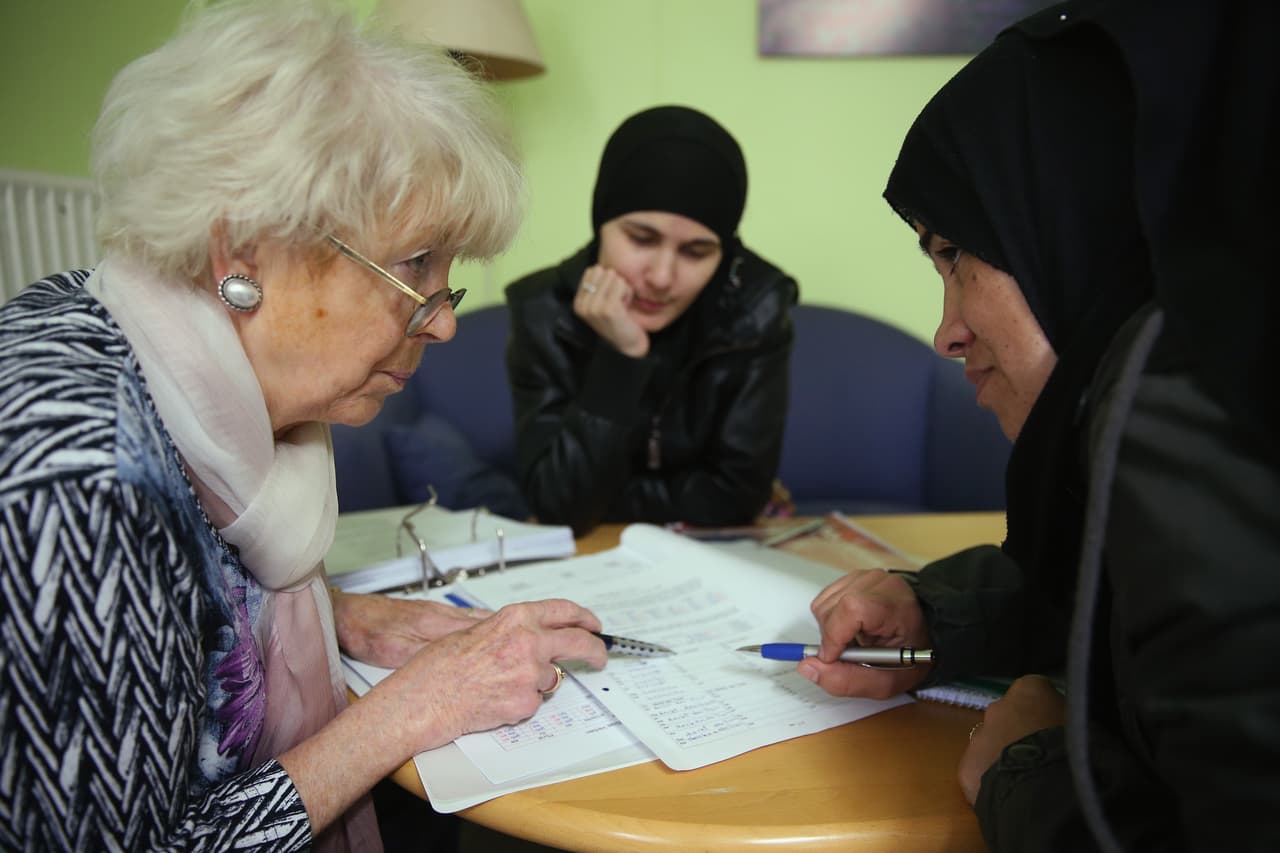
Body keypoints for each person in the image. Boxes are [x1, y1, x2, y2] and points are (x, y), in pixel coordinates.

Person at [0, 2, 609, 849]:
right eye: (416, 265)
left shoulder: (154, 341)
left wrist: (334, 609)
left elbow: (186, 590)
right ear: (244, 251)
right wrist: (408, 709)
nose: (443, 321)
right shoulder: (81, 480)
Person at [799, 1, 1280, 849]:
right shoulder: (1183, 379)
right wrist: (935, 613)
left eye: (955, 253)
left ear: (1075, 220)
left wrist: (1033, 776)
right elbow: (1094, 594)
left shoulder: (1182, 415)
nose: (946, 332)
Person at [504, 105, 799, 535]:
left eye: (696, 252)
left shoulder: (757, 307)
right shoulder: (542, 309)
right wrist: (621, 358)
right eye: (642, 239)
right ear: (601, 224)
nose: (661, 277)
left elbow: (736, 495)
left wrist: (603, 500)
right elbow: (558, 504)